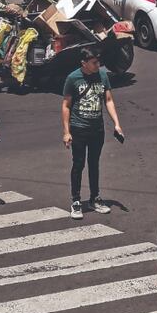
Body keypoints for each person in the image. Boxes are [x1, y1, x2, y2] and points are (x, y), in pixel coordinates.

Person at [62, 47, 125, 220]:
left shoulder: (102, 76)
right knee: (78, 164)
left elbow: (109, 100)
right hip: (79, 128)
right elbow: (66, 105)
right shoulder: (73, 78)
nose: (98, 65)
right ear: (84, 63)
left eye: (98, 62)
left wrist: (117, 124)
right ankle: (76, 200)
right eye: (94, 62)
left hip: (97, 129)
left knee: (94, 164)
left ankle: (94, 198)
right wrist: (66, 132)